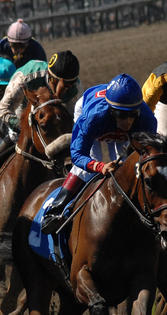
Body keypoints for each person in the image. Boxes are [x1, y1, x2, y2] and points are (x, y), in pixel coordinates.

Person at [39, 73, 156, 234]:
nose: (128, 121)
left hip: (118, 132)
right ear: (111, 109)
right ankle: (55, 210)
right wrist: (100, 166)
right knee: (90, 166)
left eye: (132, 114)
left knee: (128, 168)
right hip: (92, 116)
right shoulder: (93, 117)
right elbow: (77, 154)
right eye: (122, 115)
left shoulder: (147, 119)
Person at [0, 51, 81, 188]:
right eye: (64, 85)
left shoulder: (76, 88)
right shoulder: (26, 77)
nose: (66, 90)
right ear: (51, 78)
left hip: (53, 116)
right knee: (14, 136)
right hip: (23, 108)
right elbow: (4, 109)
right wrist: (22, 126)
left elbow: (75, 120)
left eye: (70, 86)